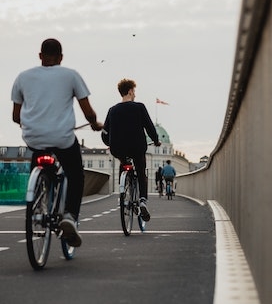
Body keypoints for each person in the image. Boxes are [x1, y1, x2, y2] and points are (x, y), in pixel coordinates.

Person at [11, 38, 103, 247]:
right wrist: (95, 123)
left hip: (34, 138)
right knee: (76, 174)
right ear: (61, 57)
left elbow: (16, 116)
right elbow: (87, 111)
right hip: (62, 138)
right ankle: (69, 216)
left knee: (40, 161)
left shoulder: (23, 77)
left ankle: (38, 199)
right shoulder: (70, 75)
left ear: (40, 56)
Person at [101, 79, 161, 221]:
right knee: (140, 171)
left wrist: (108, 143)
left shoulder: (112, 110)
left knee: (123, 163)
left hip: (117, 147)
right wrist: (156, 140)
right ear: (130, 91)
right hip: (137, 146)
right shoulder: (139, 107)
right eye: (134, 91)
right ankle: (142, 201)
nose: (135, 95)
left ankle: (122, 195)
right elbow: (150, 128)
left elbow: (104, 132)